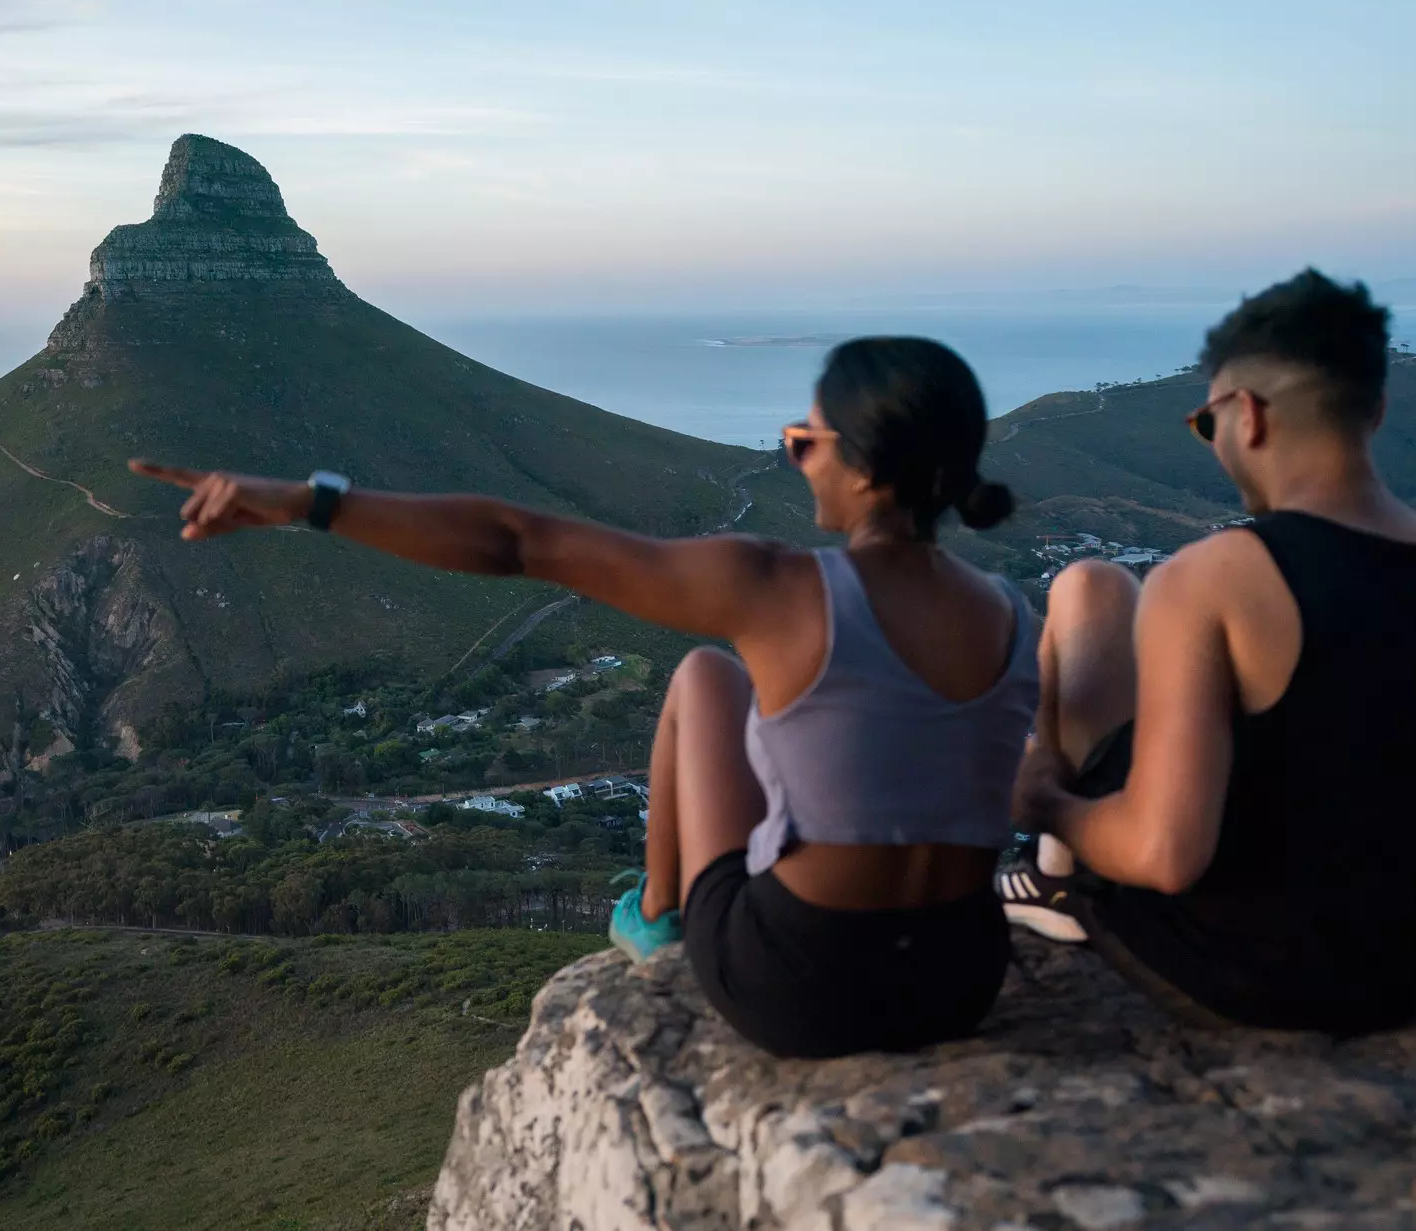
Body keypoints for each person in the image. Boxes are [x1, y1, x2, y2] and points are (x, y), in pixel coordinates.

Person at [132, 337, 1038, 1058]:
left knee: (702, 676)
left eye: (805, 442)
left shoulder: (783, 588)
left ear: (866, 464)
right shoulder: (1007, 611)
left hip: (803, 985)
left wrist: (309, 500)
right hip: (962, 979)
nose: (794, 459)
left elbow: (517, 540)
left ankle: (654, 918)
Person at [998, 269, 1416, 1035]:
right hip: (1400, 979)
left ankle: (1050, 870)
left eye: (1204, 425)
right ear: (1375, 411)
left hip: (1234, 975)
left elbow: (1164, 854)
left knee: (1084, 593)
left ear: (1244, 415)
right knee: (1097, 586)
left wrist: (1043, 799)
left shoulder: (1221, 576)